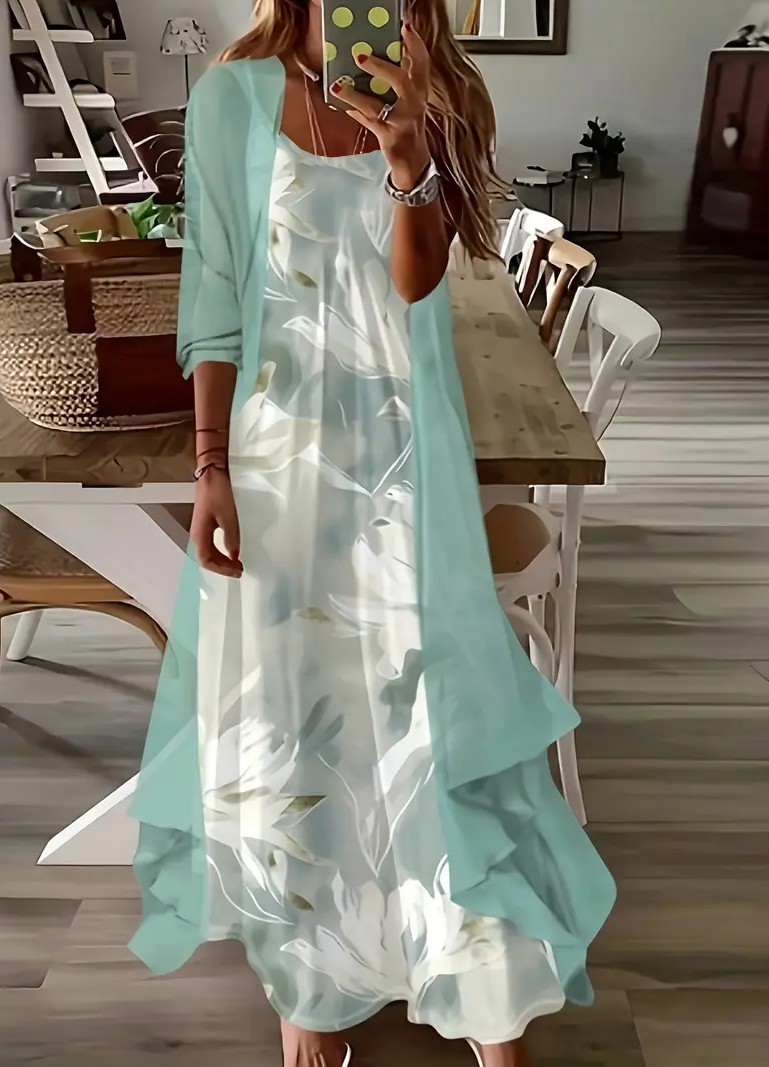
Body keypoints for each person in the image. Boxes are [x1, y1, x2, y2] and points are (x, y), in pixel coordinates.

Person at [128, 2, 616, 1066]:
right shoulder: (231, 98)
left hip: (405, 450)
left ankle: (478, 970)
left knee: (426, 704)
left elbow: (417, 283)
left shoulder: (436, 88)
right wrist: (209, 466)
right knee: (291, 708)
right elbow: (214, 292)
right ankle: (312, 976)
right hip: (280, 456)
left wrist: (407, 157)